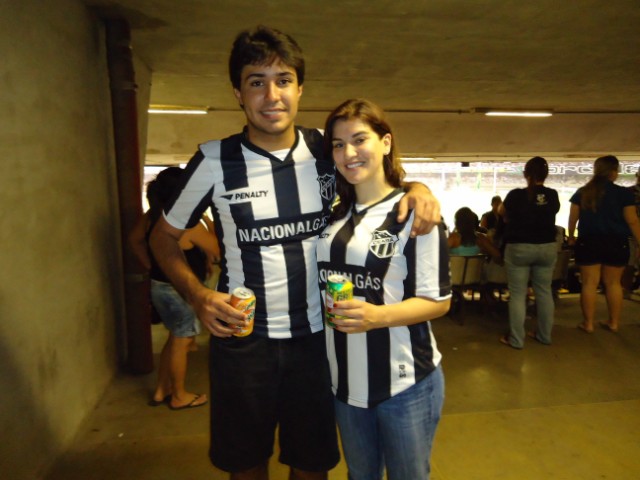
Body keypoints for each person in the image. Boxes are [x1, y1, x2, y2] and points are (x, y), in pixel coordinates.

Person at [149, 26, 441, 480]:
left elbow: (376, 175)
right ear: (238, 94)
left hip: (318, 344)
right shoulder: (213, 161)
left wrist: (419, 189)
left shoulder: (327, 150)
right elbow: (162, 238)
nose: (271, 96)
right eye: (256, 81)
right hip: (242, 344)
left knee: (312, 465)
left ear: (300, 89)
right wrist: (198, 297)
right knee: (245, 465)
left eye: (283, 80)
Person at [317, 98, 450, 480]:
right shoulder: (333, 217)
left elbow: (437, 301)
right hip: (345, 384)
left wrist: (378, 316)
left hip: (405, 384)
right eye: (339, 145)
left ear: (386, 142)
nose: (349, 152)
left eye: (360, 140)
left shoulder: (413, 213)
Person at [129, 167, 218, 409]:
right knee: (182, 340)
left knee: (174, 338)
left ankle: (161, 390)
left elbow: (134, 240)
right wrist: (209, 222)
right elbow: (219, 250)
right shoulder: (186, 225)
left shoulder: (151, 217)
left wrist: (150, 264)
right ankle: (179, 395)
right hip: (180, 292)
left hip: (159, 286)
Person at [568, 156, 640, 333]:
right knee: (614, 283)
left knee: (589, 283)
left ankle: (588, 323)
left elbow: (573, 217)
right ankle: (614, 322)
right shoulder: (624, 194)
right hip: (616, 242)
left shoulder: (583, 192)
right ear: (614, 172)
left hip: (589, 241)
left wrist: (571, 236)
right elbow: (632, 221)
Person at [499, 157, 560, 349]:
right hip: (547, 247)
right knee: (544, 292)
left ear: (526, 174)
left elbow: (502, 212)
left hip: (519, 248)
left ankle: (516, 340)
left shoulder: (515, 195)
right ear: (546, 174)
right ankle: (544, 336)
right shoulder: (553, 195)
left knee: (517, 294)